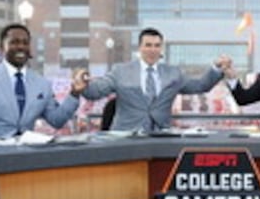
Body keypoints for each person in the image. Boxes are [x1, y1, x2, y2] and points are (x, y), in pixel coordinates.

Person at [0, 23, 86, 143]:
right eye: (14, 42)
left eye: (25, 43)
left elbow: (57, 120)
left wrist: (74, 94)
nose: (21, 47)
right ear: (2, 47)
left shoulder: (42, 84)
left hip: (23, 157)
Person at [74, 27, 230, 132]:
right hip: (126, 139)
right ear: (139, 47)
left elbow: (200, 85)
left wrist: (216, 69)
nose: (152, 50)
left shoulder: (173, 73)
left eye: (156, 46)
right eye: (148, 45)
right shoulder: (121, 71)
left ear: (161, 48)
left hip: (160, 138)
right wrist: (83, 85)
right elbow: (96, 91)